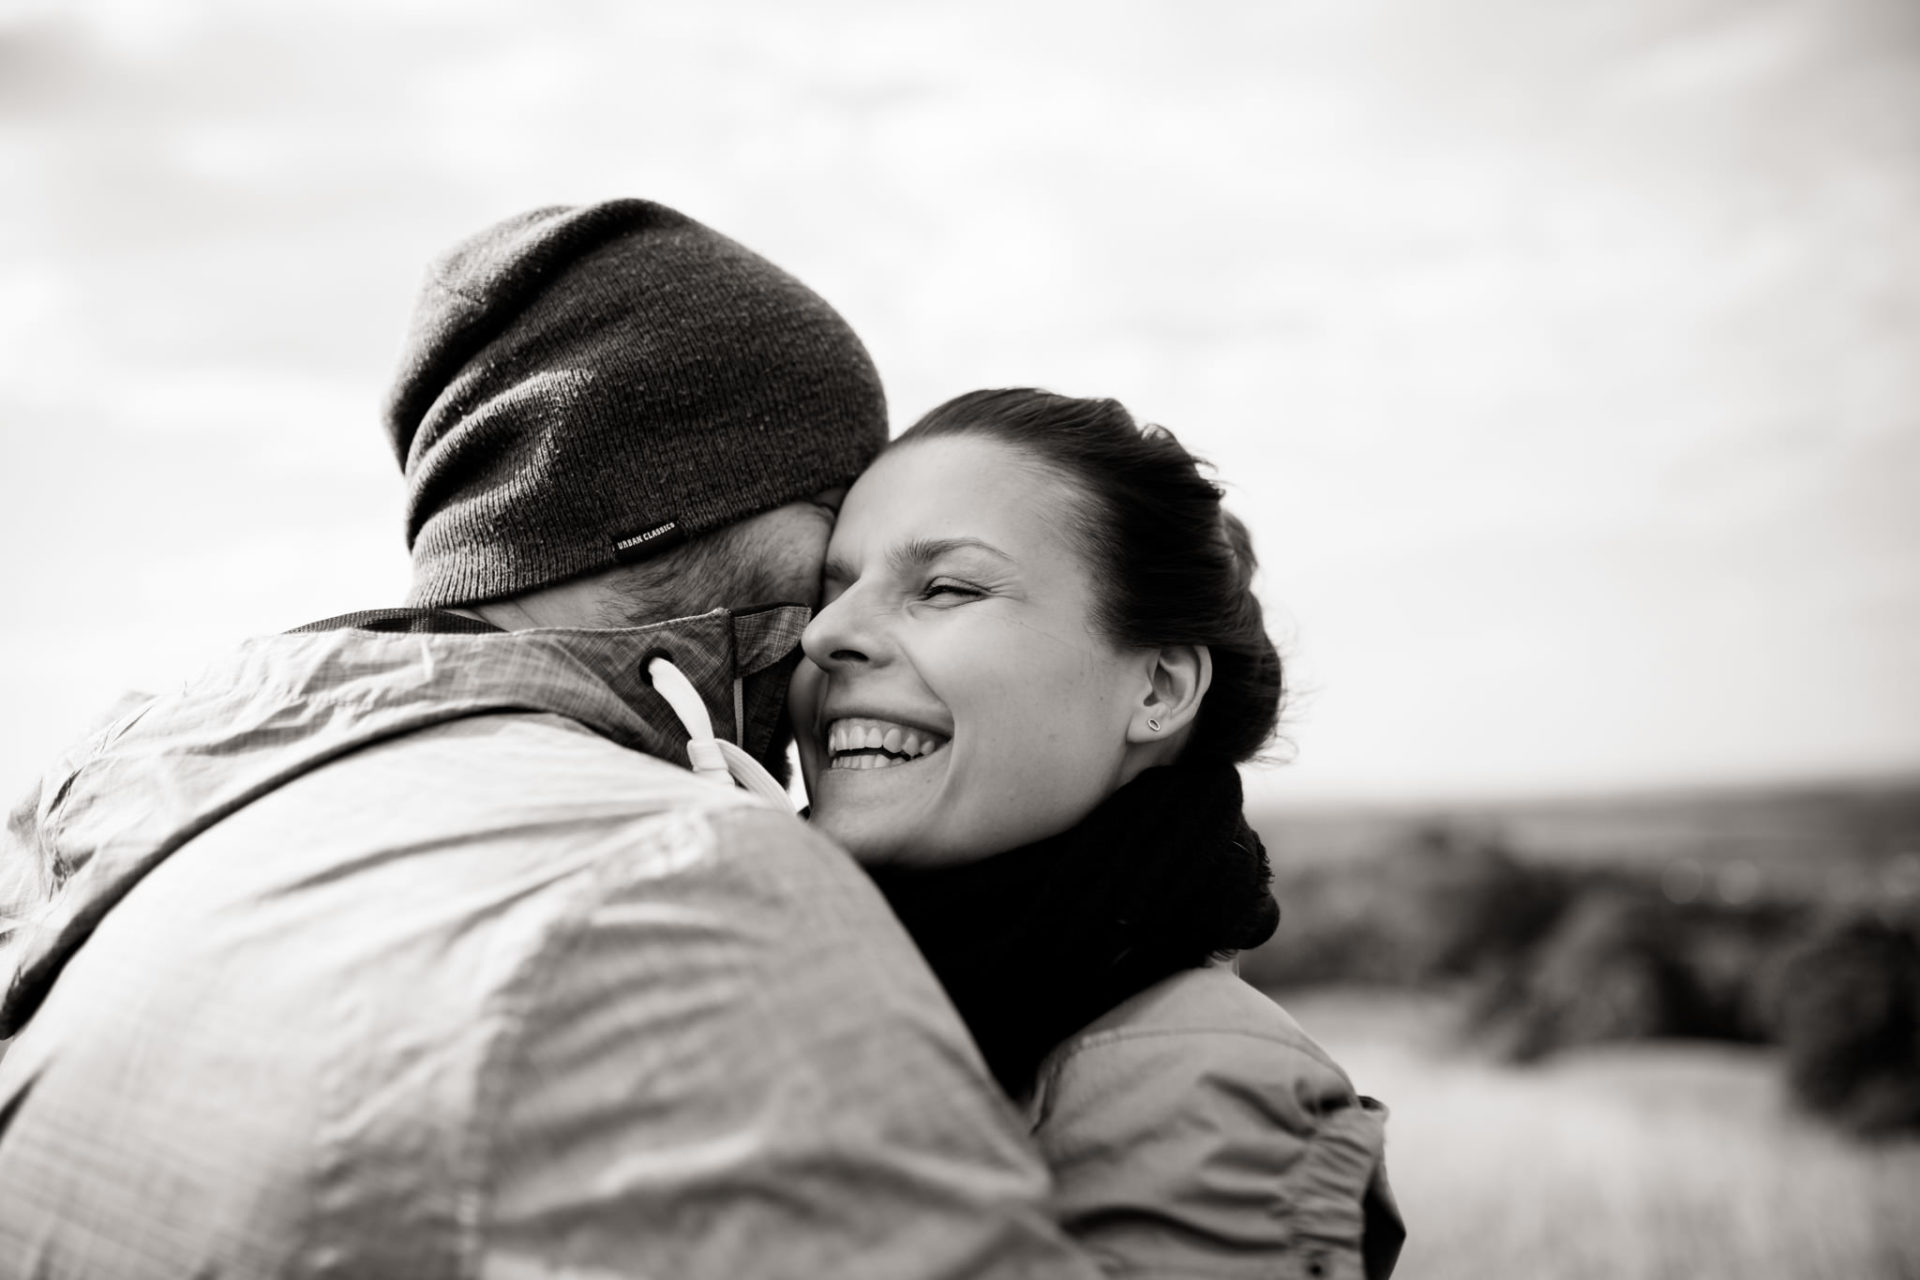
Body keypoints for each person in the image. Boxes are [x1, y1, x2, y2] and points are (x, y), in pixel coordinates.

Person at [0, 202, 1110, 1278]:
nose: (838, 623)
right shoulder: (686, 887)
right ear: (718, 509)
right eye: (833, 524)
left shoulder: (143, 813)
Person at [791, 388, 1406, 1280]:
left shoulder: (1205, 1087)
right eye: (832, 589)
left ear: (1157, 690)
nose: (825, 634)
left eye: (947, 588)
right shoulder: (808, 983)